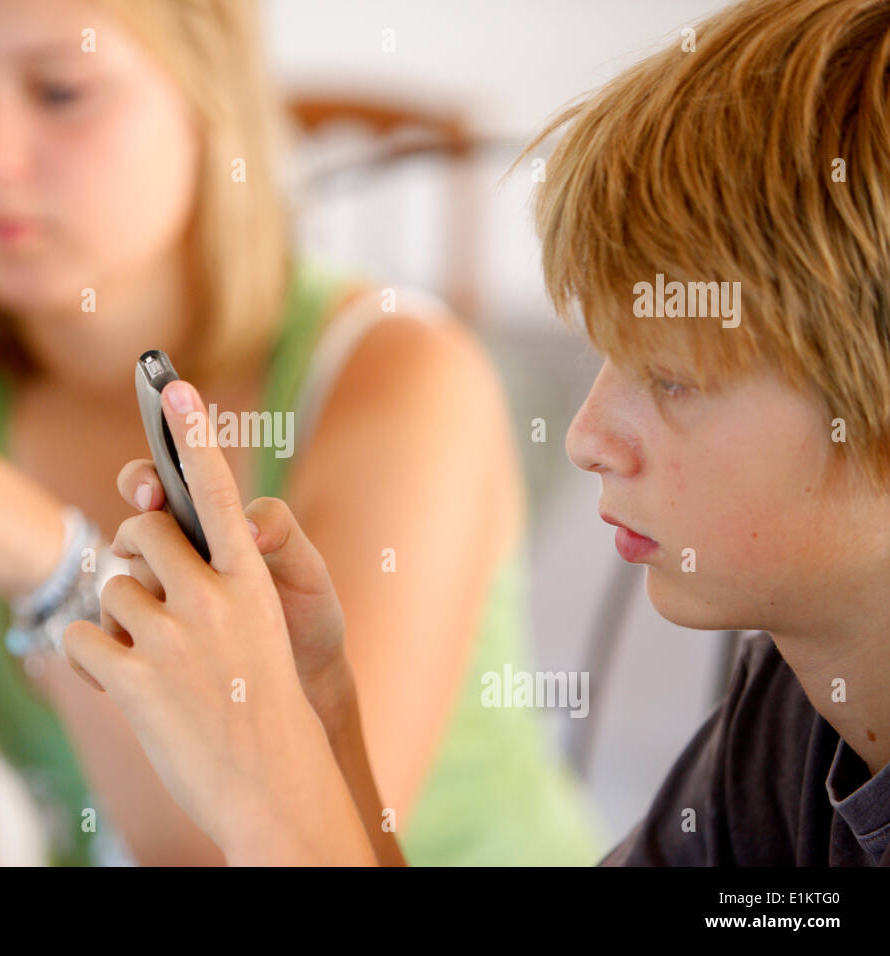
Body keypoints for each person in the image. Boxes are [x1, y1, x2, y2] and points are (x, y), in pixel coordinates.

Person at [0, 0, 598, 865]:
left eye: (59, 89)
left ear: (203, 94)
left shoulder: (399, 376)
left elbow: (277, 846)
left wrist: (52, 562)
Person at [62, 0, 890, 865]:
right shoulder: (793, 716)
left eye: (673, 380)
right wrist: (324, 726)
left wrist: (266, 800)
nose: (586, 437)